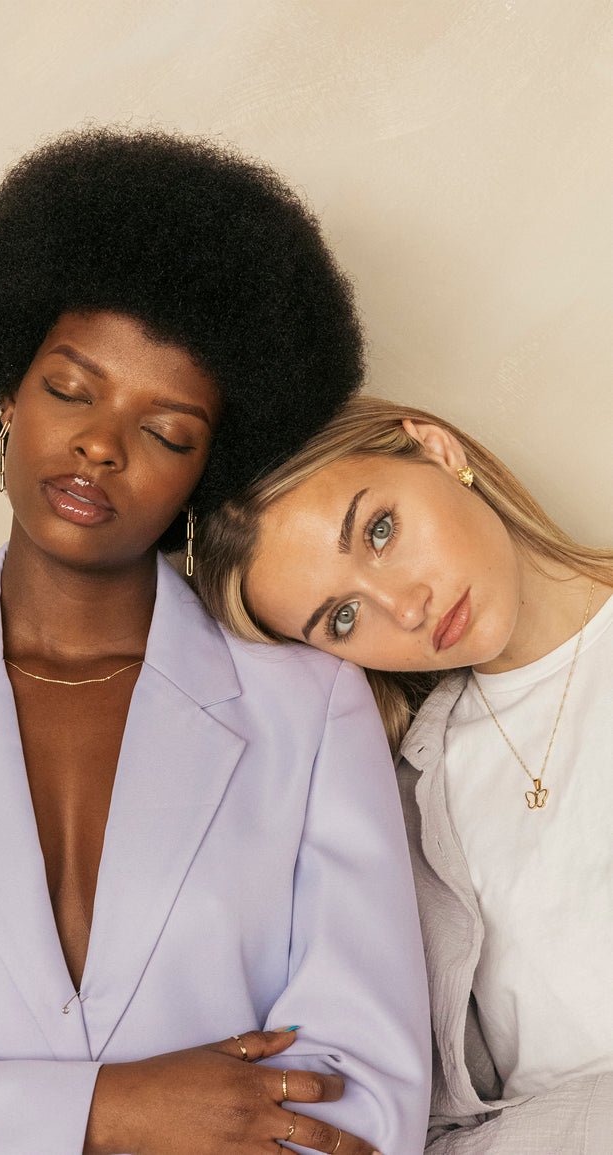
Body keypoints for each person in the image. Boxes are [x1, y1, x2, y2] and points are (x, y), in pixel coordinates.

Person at [0, 135, 431, 1155]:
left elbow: (366, 1095)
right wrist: (106, 1111)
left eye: (167, 431)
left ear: (208, 470)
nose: (101, 445)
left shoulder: (310, 712)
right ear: (5, 395)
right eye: (72, 389)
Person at [195, 394, 613, 1154]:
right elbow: (434, 1130)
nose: (405, 607)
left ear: (436, 447)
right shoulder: (412, 808)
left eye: (379, 530)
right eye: (343, 618)